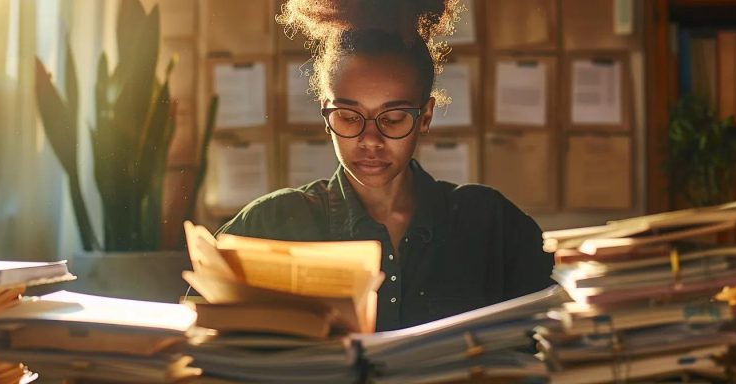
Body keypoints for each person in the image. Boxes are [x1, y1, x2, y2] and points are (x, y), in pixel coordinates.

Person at [215, 0, 555, 331]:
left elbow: (559, 340)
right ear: (325, 113)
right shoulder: (270, 224)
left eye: (392, 119)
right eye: (348, 118)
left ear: (426, 117)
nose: (371, 140)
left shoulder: (491, 224)